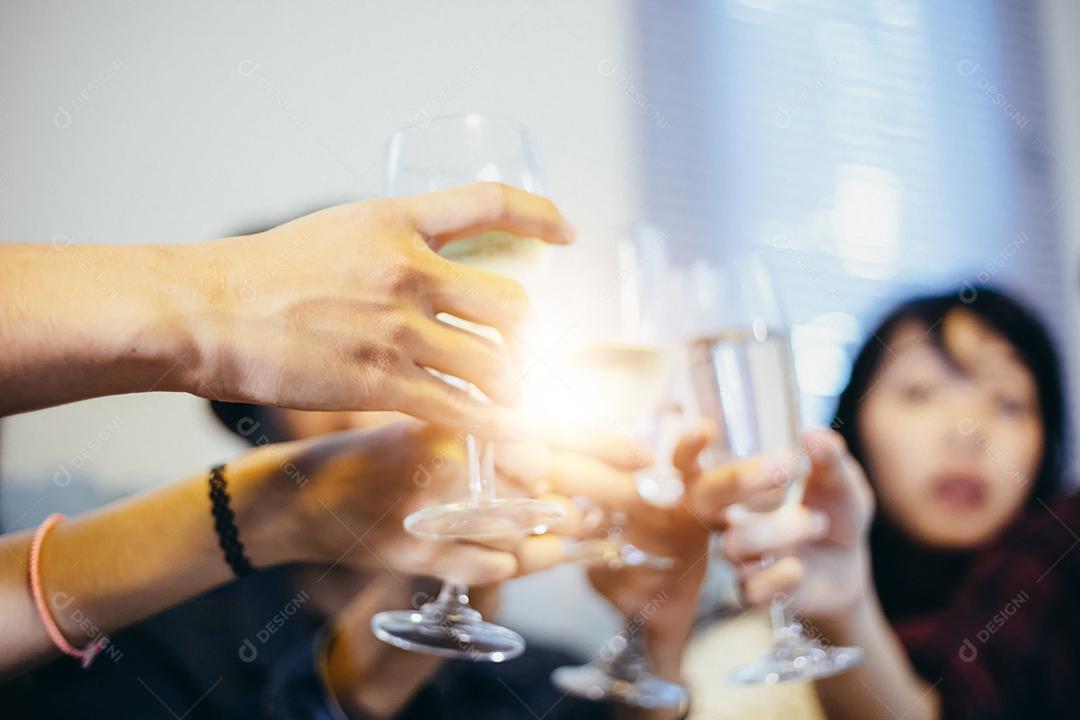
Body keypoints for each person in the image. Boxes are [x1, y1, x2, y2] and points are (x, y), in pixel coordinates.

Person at [718, 287, 1080, 719]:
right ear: (856, 422)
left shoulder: (1065, 556)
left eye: (1008, 403)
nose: (965, 432)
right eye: (919, 393)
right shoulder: (748, 625)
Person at [0, 182, 575, 438]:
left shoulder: (519, 671)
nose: (377, 424)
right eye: (343, 408)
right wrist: (220, 303)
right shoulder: (166, 641)